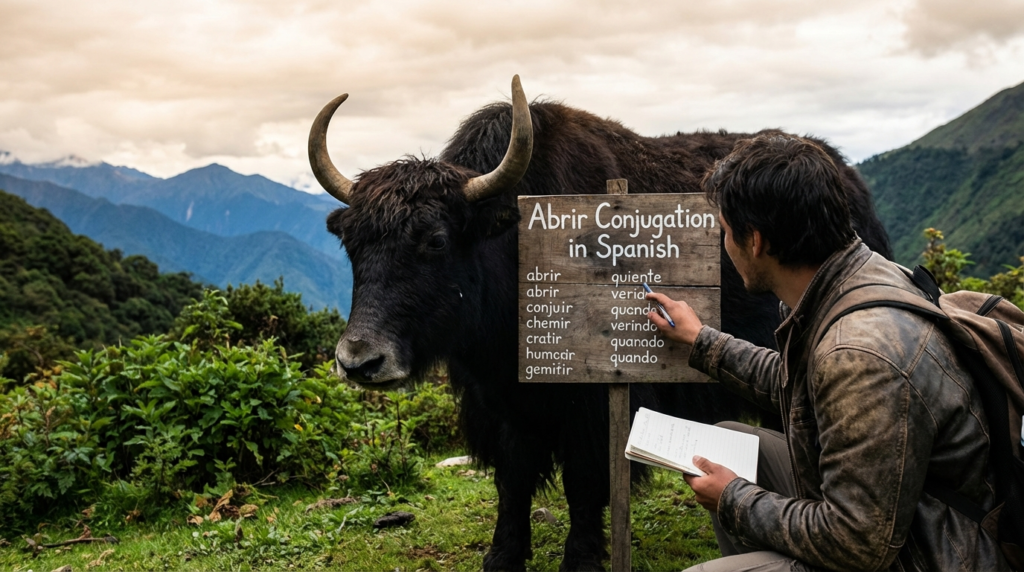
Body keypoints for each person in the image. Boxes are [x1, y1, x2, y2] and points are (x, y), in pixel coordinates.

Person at [645, 134, 1008, 571]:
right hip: (912, 508)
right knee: (735, 440)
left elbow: (858, 543)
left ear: (756, 241)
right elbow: (799, 378)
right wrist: (700, 339)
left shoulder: (859, 353)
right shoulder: (859, 275)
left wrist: (733, 498)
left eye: (724, 232)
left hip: (932, 551)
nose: (724, 243)